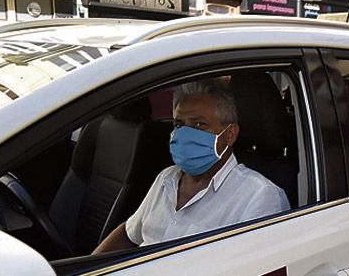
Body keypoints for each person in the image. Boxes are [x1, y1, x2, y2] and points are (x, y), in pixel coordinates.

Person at [94, 79, 289, 253]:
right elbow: (129, 234)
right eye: (179, 124)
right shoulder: (166, 178)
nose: (184, 134)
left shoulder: (260, 197)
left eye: (199, 125)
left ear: (230, 135)